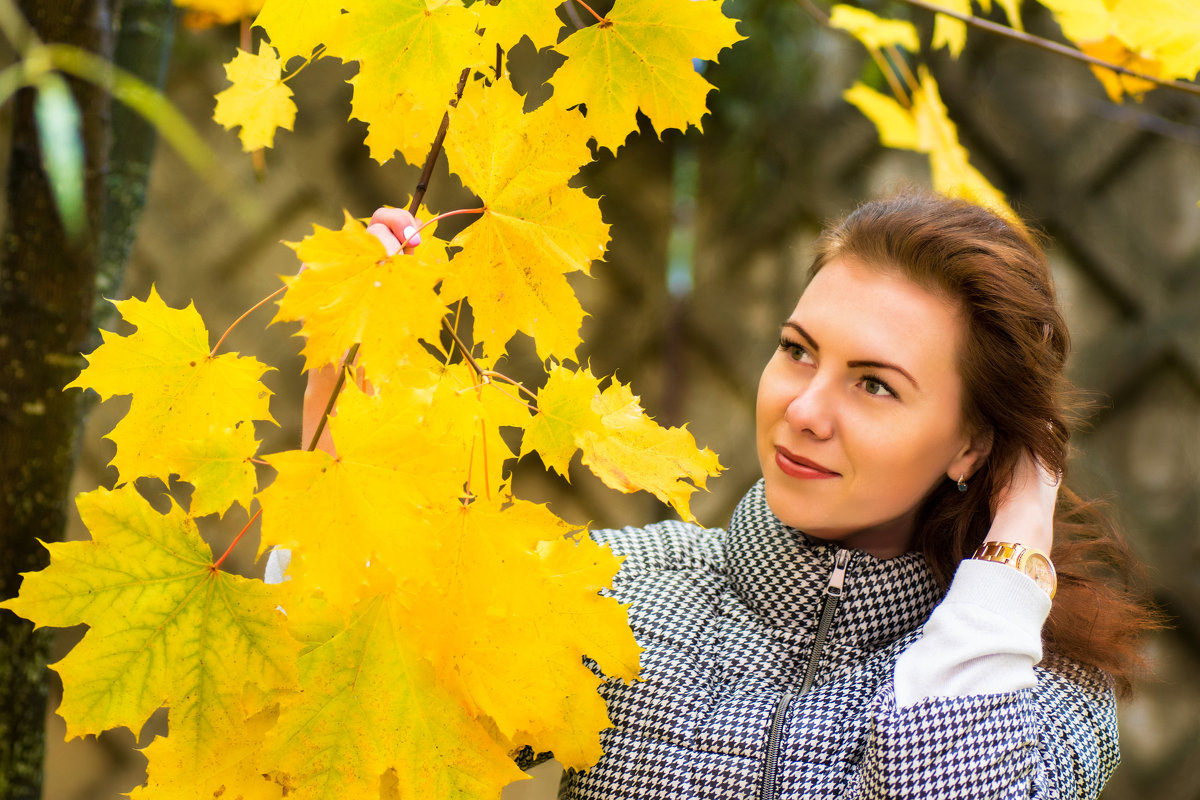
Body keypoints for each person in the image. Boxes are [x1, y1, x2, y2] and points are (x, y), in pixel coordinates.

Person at [306, 192, 1157, 799]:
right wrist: (356, 466)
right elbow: (366, 741)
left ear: (974, 444)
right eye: (797, 350)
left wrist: (1014, 547)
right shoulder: (616, 591)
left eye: (875, 386)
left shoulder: (1043, 694)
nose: (805, 408)